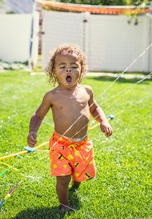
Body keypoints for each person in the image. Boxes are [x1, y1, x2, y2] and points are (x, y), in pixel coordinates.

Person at [27, 44, 113, 211]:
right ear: (54, 71)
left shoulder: (86, 91)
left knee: (79, 173)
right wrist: (33, 131)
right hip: (60, 145)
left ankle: (76, 179)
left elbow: (95, 108)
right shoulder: (52, 96)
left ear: (81, 69)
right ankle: (64, 204)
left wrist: (103, 121)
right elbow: (38, 115)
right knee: (62, 177)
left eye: (74, 66)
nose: (69, 70)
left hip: (82, 144)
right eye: (63, 66)